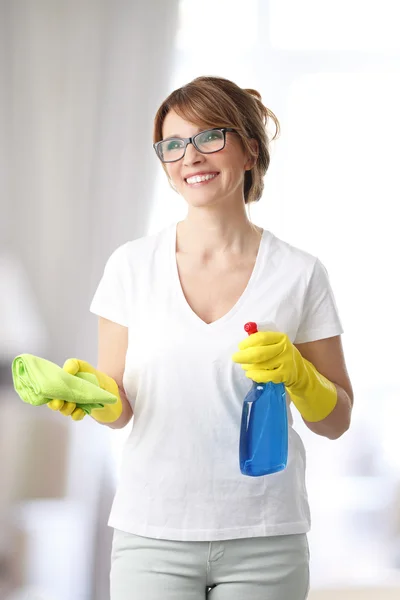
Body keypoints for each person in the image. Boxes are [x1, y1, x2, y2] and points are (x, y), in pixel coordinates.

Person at [48, 76, 354, 599]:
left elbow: (336, 421)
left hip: (266, 537)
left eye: (210, 136)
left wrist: (301, 377)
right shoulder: (131, 266)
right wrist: (88, 396)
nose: (190, 155)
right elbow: (120, 406)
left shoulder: (300, 273)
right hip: (152, 533)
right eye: (173, 144)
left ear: (249, 149)